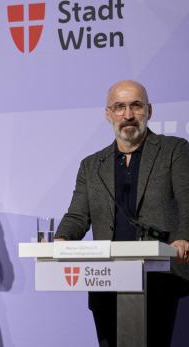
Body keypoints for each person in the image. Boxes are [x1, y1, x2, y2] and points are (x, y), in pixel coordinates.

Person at [55, 80, 189, 346]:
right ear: (108, 114)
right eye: (119, 107)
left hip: (159, 279)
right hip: (106, 280)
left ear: (149, 111)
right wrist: (61, 240)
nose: (127, 115)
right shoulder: (92, 165)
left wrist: (184, 238)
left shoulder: (174, 150)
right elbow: (77, 216)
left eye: (135, 106)